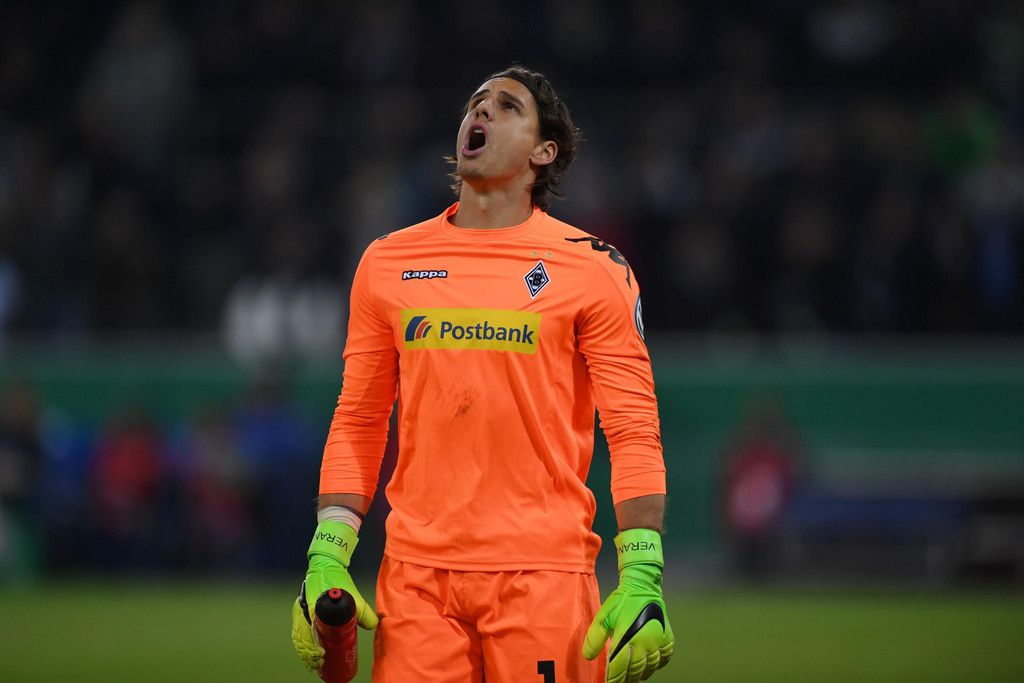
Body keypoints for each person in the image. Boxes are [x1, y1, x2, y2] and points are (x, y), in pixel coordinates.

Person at [290, 65, 673, 683]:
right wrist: (327, 552)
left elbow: (632, 428)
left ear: (544, 152)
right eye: (476, 101)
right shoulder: (387, 262)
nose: (482, 110)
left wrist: (642, 574)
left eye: (508, 105)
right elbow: (359, 418)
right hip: (416, 578)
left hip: (543, 576)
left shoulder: (594, 269)